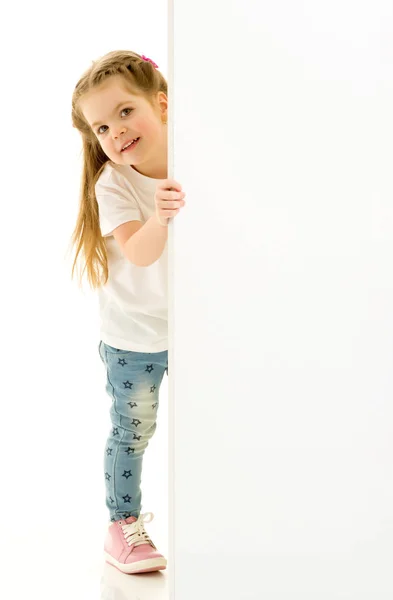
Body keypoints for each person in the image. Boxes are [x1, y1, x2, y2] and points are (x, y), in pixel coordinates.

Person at [70, 50, 186, 575]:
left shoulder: (196, 159)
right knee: (133, 430)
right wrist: (160, 216)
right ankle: (123, 526)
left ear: (161, 105)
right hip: (134, 336)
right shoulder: (112, 184)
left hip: (196, 328)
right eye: (101, 126)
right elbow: (140, 252)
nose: (114, 131)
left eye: (124, 112)